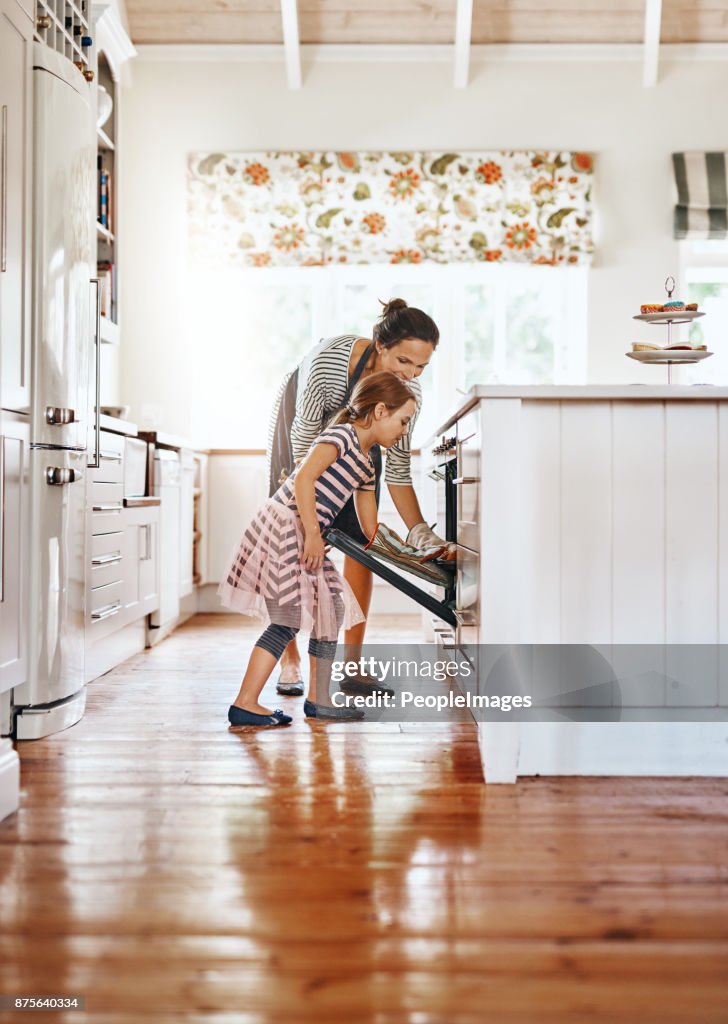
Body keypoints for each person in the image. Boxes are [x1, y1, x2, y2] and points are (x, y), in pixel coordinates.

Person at [268, 298, 451, 698]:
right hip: (302, 432)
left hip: (363, 431)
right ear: (379, 345)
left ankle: (350, 664)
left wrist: (419, 534)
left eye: (421, 367)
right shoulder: (328, 363)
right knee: (292, 539)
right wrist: (313, 521)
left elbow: (399, 472)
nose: (411, 374)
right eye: (404, 361)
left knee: (360, 543)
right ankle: (290, 657)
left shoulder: (406, 396)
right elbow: (305, 449)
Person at [220, 372, 418, 725]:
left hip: (309, 535)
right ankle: (245, 703)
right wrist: (313, 533)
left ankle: (320, 699)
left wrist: (404, 552)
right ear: (380, 411)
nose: (404, 431)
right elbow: (303, 478)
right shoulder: (340, 436)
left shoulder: (368, 462)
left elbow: (369, 526)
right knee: (287, 619)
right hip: (287, 528)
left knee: (331, 610)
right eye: (403, 421)